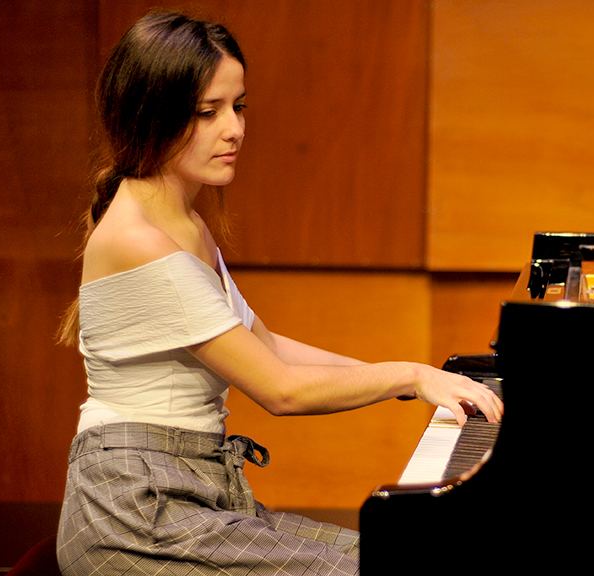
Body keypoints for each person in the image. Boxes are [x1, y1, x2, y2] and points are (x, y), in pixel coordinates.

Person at [54, 11, 502, 576]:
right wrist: (410, 376)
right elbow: (280, 390)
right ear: (150, 114)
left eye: (237, 106)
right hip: (134, 514)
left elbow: (266, 344)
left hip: (181, 490)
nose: (235, 128)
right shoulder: (138, 241)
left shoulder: (182, 225)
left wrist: (416, 383)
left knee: (403, 557)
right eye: (207, 112)